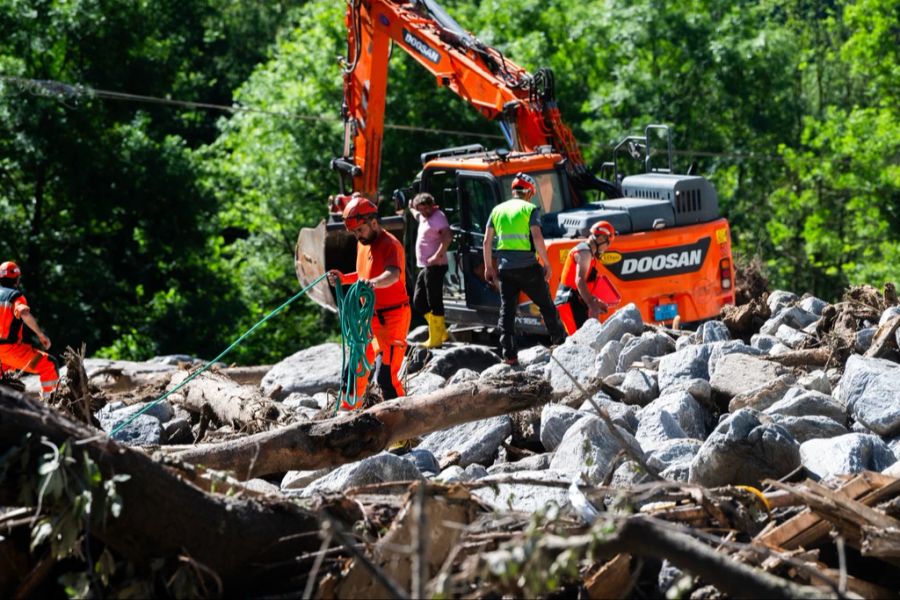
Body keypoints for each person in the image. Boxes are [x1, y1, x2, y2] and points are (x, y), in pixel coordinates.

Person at [327, 196, 411, 410]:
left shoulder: (390, 244)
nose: (357, 236)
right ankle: (348, 415)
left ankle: (402, 427)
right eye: (354, 232)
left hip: (393, 319)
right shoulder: (362, 244)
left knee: (386, 379)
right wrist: (344, 279)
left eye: (360, 230)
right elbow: (364, 274)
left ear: (373, 223)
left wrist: (372, 284)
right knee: (353, 369)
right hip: (369, 318)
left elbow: (392, 275)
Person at [483, 172, 566, 365]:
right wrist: (546, 263)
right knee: (546, 305)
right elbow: (537, 237)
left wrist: (489, 267)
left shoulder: (497, 210)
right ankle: (560, 343)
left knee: (507, 310)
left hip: (505, 269)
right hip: (528, 267)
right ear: (529, 192)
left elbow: (487, 241)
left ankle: (510, 355)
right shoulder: (529, 209)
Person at [0, 261, 59, 397]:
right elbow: (24, 314)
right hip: (10, 350)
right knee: (49, 364)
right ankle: (52, 406)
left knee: (7, 378)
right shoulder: (15, 296)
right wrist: (41, 335)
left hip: (3, 356)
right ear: (17, 279)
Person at [555, 221, 618, 334]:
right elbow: (579, 280)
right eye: (608, 243)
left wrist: (594, 300)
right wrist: (591, 304)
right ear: (600, 238)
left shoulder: (589, 254)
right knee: (577, 341)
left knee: (585, 338)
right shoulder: (584, 252)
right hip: (569, 302)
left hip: (576, 302)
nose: (607, 247)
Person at [408, 192, 452, 348]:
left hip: (436, 265)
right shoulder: (422, 217)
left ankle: (436, 339)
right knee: (418, 301)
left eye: (427, 208)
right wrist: (410, 206)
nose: (425, 212)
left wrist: (436, 256)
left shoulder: (438, 216)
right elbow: (415, 214)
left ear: (432, 205)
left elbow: (448, 237)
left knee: (434, 300)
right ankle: (442, 332)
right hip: (426, 266)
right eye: (421, 209)